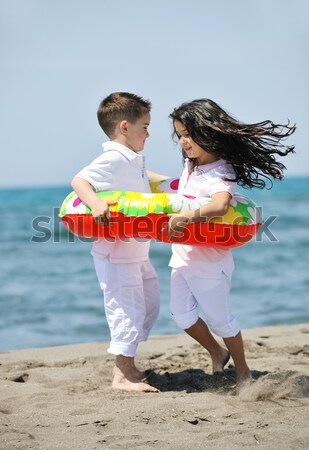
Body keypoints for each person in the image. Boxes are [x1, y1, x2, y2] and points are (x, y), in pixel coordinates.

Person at [163, 98, 295, 387]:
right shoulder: (191, 164)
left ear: (208, 133)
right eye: (180, 135)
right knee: (181, 315)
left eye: (188, 134)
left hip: (210, 263)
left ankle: (244, 370)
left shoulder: (222, 172)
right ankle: (217, 352)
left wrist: (187, 216)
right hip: (182, 256)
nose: (184, 142)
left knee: (221, 321)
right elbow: (178, 188)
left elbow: (220, 206)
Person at [71, 92, 163, 392]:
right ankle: (121, 374)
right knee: (126, 308)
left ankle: (129, 363)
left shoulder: (131, 159)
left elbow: (140, 177)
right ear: (125, 127)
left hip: (137, 249)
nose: (148, 133)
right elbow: (79, 180)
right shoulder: (112, 157)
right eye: (145, 127)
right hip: (117, 252)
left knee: (149, 304)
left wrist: (174, 184)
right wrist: (95, 203)